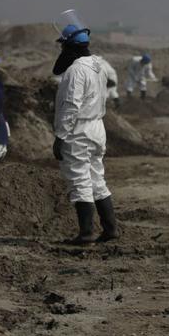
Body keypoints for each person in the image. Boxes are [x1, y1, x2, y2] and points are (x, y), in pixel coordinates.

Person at [52, 22, 118, 245]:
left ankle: (86, 233)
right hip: (97, 127)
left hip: (78, 130)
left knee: (80, 179)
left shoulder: (76, 70)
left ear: (69, 47)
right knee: (96, 178)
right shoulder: (99, 65)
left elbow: (71, 105)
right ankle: (110, 229)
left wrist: (60, 136)